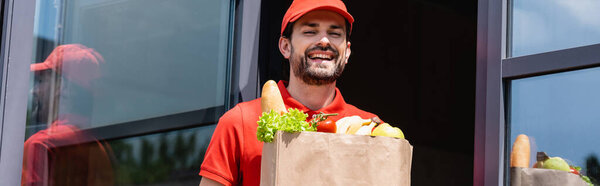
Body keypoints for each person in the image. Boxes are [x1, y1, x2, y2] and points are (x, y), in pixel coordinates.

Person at [199, 0, 379, 185]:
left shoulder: (372, 129)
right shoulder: (240, 122)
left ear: (347, 52)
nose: (324, 41)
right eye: (310, 31)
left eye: (334, 33)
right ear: (285, 47)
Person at [22, 44, 114, 186]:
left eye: (41, 82)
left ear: (63, 87)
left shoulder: (41, 144)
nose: (34, 91)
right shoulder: (102, 153)